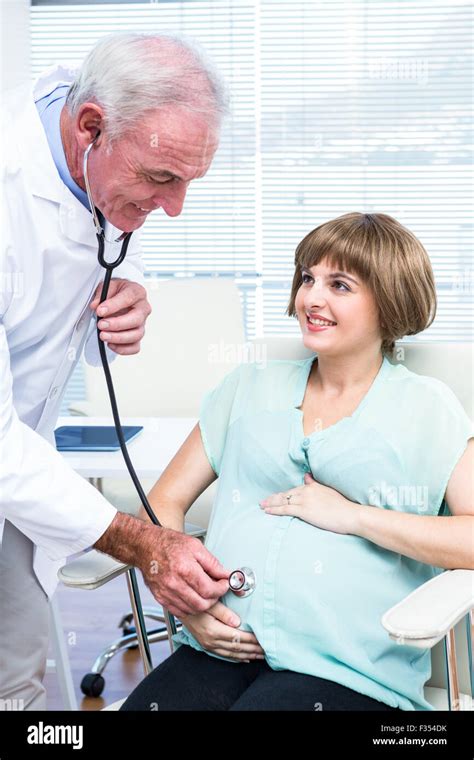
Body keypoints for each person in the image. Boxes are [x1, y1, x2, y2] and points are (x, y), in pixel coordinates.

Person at [121, 212, 473, 711]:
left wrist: (354, 516)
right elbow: (163, 502)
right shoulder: (248, 387)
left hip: (346, 669)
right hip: (218, 647)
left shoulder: (427, 409)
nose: (312, 298)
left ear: (390, 300)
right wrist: (185, 604)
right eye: (308, 277)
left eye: (340, 285)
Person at [0, 32, 233, 711]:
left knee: (21, 675)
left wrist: (125, 283)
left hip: (25, 459)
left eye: (189, 182)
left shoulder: (97, 117)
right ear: (91, 129)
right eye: (162, 181)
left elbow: (94, 220)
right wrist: (141, 542)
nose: (175, 206)